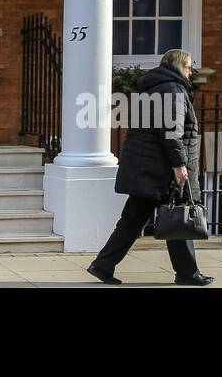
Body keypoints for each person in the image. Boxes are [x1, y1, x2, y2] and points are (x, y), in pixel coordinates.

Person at [87, 48, 214, 286]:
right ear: (178, 67)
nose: (190, 72)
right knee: (179, 216)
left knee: (134, 221)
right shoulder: (173, 90)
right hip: (162, 170)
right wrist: (179, 164)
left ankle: (102, 265)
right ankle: (187, 273)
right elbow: (171, 132)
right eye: (188, 68)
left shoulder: (154, 87)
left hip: (146, 168)